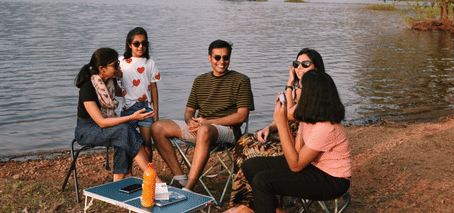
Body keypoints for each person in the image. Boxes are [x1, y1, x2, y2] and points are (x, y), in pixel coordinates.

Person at [237, 70, 350, 213]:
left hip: (332, 180)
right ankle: (277, 210)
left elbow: (295, 166)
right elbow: (295, 152)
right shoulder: (309, 116)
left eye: (298, 86)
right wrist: (283, 120)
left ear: (308, 93)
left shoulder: (326, 127)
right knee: (251, 165)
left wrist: (282, 123)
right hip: (313, 166)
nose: (295, 90)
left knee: (262, 181)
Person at [151, 39, 255, 191]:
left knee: (205, 130)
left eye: (225, 57)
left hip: (227, 131)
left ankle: (188, 188)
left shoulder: (241, 80)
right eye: (217, 57)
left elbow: (242, 116)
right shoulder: (200, 80)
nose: (222, 61)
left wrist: (209, 122)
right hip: (200, 128)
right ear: (209, 58)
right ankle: (180, 179)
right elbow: (189, 111)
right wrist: (189, 121)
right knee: (157, 127)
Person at [229, 48, 325, 210]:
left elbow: (289, 115)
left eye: (305, 64)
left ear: (316, 67)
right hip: (284, 132)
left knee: (252, 153)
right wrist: (269, 127)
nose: (299, 68)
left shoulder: (317, 91)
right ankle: (247, 201)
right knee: (243, 142)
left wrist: (289, 83)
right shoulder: (297, 88)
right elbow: (285, 117)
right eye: (297, 64)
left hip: (299, 143)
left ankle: (265, 203)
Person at [74, 47, 160, 182]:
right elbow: (101, 122)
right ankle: (154, 179)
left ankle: (118, 182)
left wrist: (143, 86)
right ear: (102, 69)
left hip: (104, 127)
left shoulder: (110, 83)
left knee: (124, 134)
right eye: (115, 64)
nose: (119, 66)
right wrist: (132, 117)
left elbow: (127, 92)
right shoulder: (87, 88)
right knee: (124, 130)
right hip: (87, 130)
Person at [118, 27, 161, 161]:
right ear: (129, 44)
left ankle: (149, 176)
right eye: (136, 44)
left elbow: (154, 88)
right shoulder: (121, 62)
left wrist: (156, 112)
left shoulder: (150, 63)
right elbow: (114, 86)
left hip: (146, 108)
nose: (140, 46)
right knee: (127, 143)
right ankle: (129, 174)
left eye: (144, 43)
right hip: (127, 108)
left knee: (147, 144)